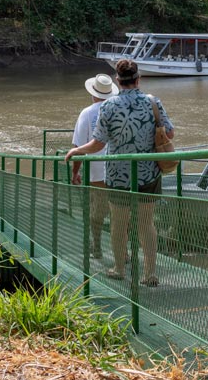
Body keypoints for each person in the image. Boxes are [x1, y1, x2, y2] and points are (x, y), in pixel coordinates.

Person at [65, 59, 173, 287]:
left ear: (117, 80)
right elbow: (170, 135)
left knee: (119, 224)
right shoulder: (153, 102)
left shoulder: (108, 106)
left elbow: (97, 145)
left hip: (118, 175)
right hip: (148, 172)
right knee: (146, 223)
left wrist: (76, 150)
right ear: (138, 79)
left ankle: (119, 269)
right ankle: (150, 273)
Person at [70, 73, 119, 260]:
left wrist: (75, 172)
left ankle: (97, 247)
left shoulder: (87, 113)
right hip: (120, 171)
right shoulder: (117, 110)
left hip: (96, 173)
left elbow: (79, 147)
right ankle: (122, 253)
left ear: (93, 93)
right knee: (119, 213)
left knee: (97, 212)